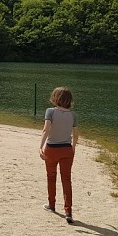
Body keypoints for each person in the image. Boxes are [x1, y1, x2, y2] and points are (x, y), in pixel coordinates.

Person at [38, 86, 79, 224]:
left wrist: (40, 147)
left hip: (52, 149)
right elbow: (76, 135)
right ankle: (68, 211)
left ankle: (52, 204)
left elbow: (46, 129)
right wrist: (72, 147)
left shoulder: (50, 112)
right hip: (66, 149)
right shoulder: (73, 115)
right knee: (66, 180)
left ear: (56, 98)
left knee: (51, 176)